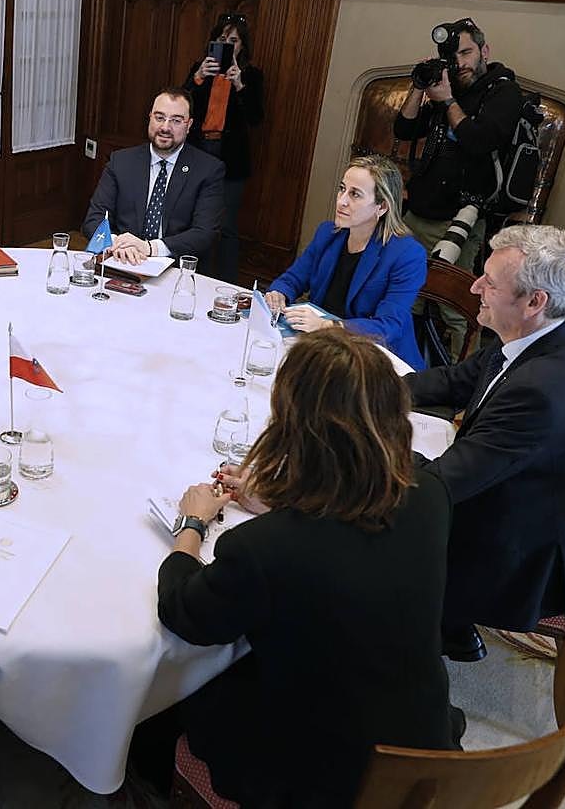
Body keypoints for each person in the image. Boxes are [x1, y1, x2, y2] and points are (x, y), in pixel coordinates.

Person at [153, 328, 458, 807]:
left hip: (320, 780)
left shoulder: (266, 549)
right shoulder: (430, 493)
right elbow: (348, 536)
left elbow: (184, 613)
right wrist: (286, 497)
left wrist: (190, 523)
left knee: (177, 699)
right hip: (423, 746)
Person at [406, 224, 565, 662]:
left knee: (372, 531)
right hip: (512, 498)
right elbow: (455, 380)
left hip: (520, 555)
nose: (475, 288)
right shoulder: (543, 341)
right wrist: (367, 387)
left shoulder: (540, 393)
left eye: (489, 281)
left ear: (534, 301)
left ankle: (414, 645)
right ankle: (452, 628)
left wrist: (360, 449)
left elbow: (440, 486)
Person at [393, 18, 523, 359]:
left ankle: (459, 385)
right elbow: (404, 129)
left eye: (466, 52)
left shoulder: (503, 92)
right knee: (406, 296)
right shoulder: (444, 87)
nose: (461, 63)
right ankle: (401, 366)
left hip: (462, 220)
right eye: (454, 56)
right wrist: (420, 86)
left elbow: (478, 140)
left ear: (484, 51)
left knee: (456, 309)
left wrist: (448, 100)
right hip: (418, 213)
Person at [264, 155, 427, 368]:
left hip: (376, 360)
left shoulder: (407, 255)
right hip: (324, 347)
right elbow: (293, 278)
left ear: (382, 207)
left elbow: (388, 326)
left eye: (355, 195)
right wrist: (279, 294)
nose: (342, 201)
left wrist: (327, 325)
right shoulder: (328, 233)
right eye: (342, 189)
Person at [81, 87, 224, 265]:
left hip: (174, 266)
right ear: (150, 118)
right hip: (121, 260)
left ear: (189, 125)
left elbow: (204, 233)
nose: (165, 127)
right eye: (159, 117)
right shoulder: (121, 161)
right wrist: (119, 243)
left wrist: (150, 248)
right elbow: (94, 219)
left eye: (176, 120)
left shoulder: (208, 170)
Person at [183, 12, 264, 283]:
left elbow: (256, 118)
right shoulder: (201, 68)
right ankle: (196, 276)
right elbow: (180, 105)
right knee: (195, 219)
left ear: (242, 46)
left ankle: (227, 282)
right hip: (198, 149)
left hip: (230, 157)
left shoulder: (252, 75)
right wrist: (197, 77)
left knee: (227, 224)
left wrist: (240, 85)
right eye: (221, 39)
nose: (227, 44)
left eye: (233, 40)